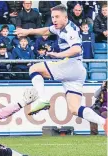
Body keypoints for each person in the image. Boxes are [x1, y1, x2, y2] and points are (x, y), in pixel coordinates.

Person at [14, 4, 108, 134]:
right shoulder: (60, 27)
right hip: (78, 71)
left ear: (65, 17)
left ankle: (42, 99)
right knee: (74, 108)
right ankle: (105, 123)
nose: (54, 20)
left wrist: (58, 55)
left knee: (34, 69)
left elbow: (77, 49)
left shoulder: (69, 30)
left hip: (71, 65)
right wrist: (27, 31)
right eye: (53, 17)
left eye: (57, 17)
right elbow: (46, 30)